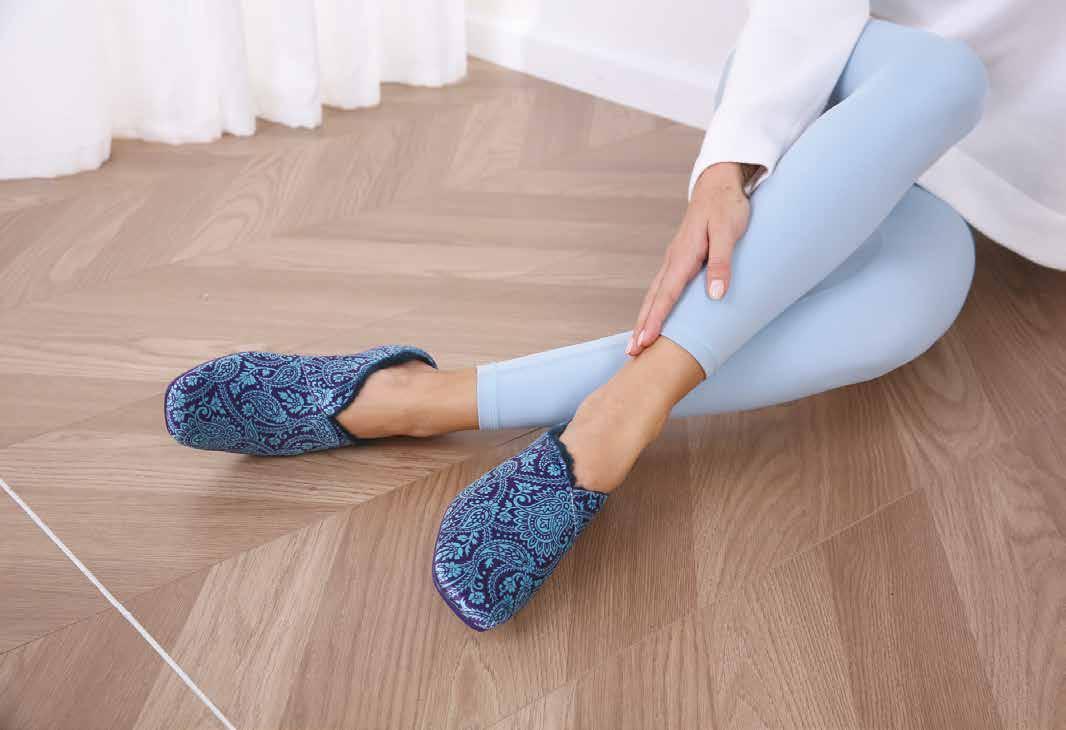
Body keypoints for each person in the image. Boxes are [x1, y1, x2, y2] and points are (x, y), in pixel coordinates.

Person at [164, 2, 1065, 631]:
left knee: (921, 299)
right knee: (948, 75)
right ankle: (610, 426)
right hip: (848, 80)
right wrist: (726, 167)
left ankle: (428, 398)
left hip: (977, 173)